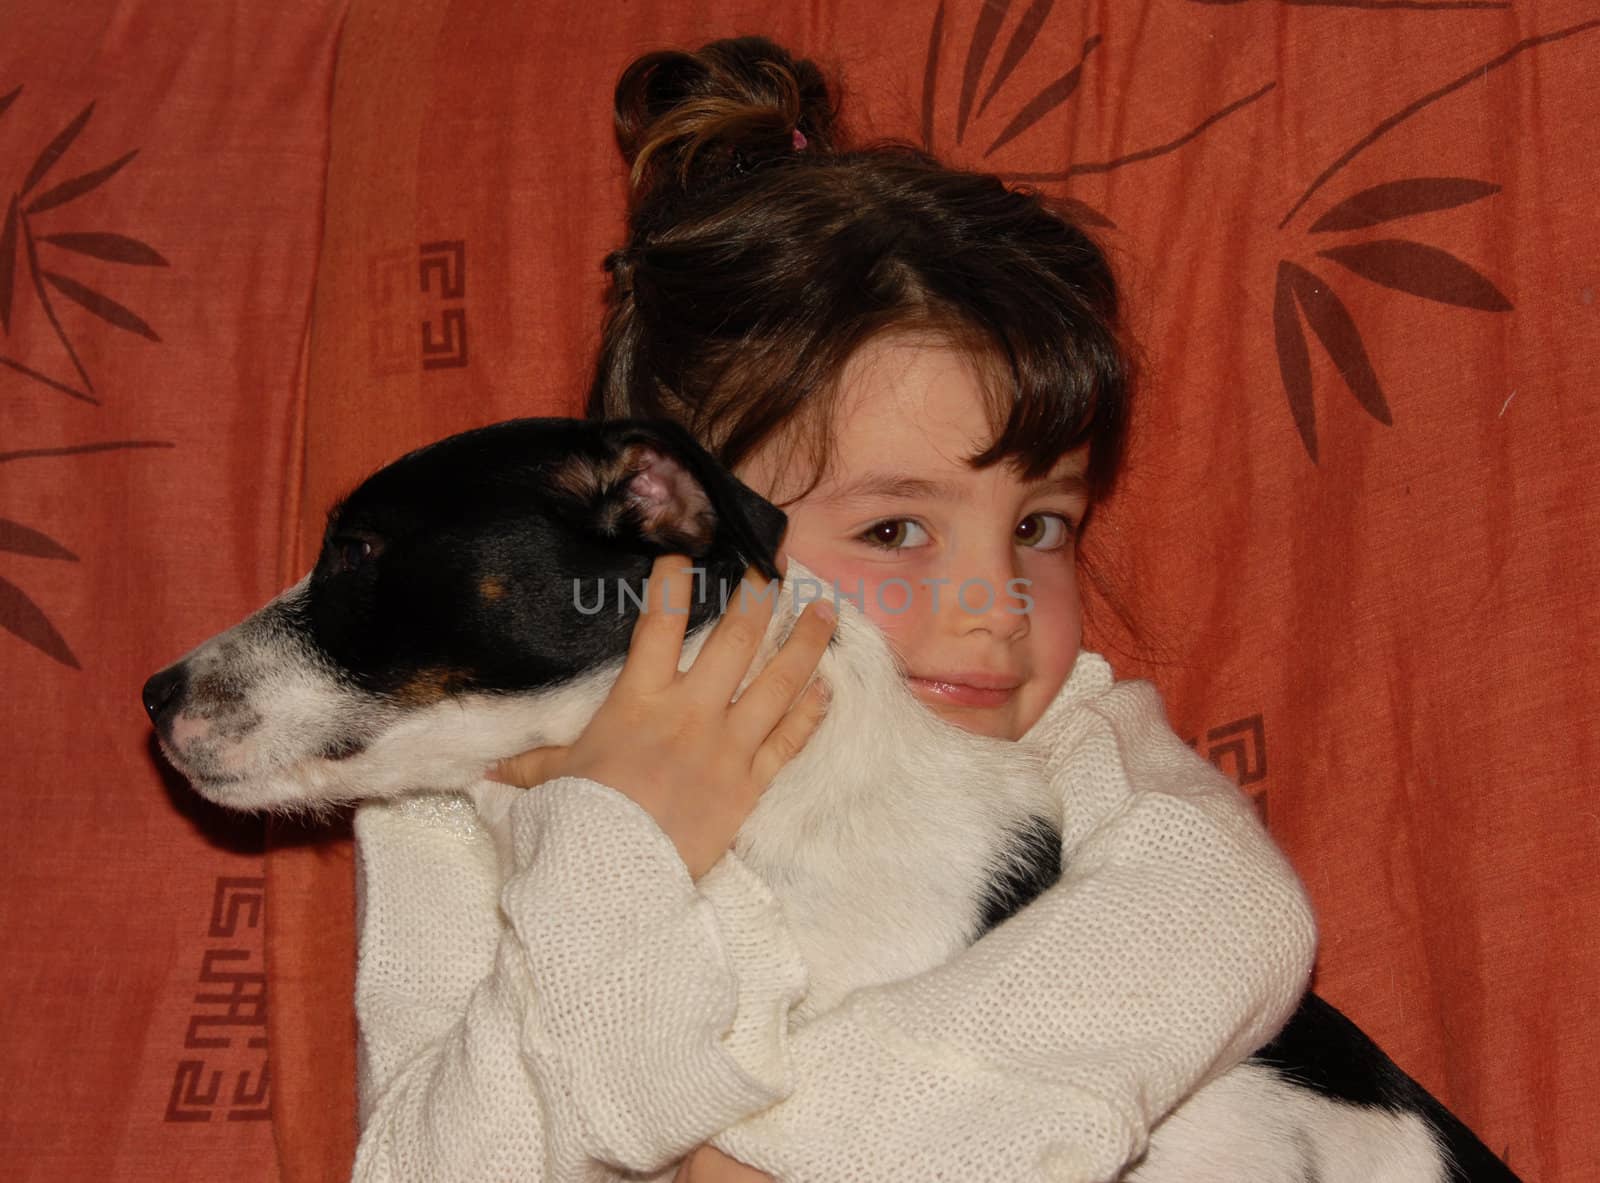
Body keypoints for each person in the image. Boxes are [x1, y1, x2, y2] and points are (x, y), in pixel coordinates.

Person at [350, 36, 1317, 1183]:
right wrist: (613, 840)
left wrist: (792, 1155)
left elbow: (1228, 921)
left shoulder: (1069, 745)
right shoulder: (455, 809)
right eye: (894, 530)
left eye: (1040, 526)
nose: (996, 607)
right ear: (678, 527)